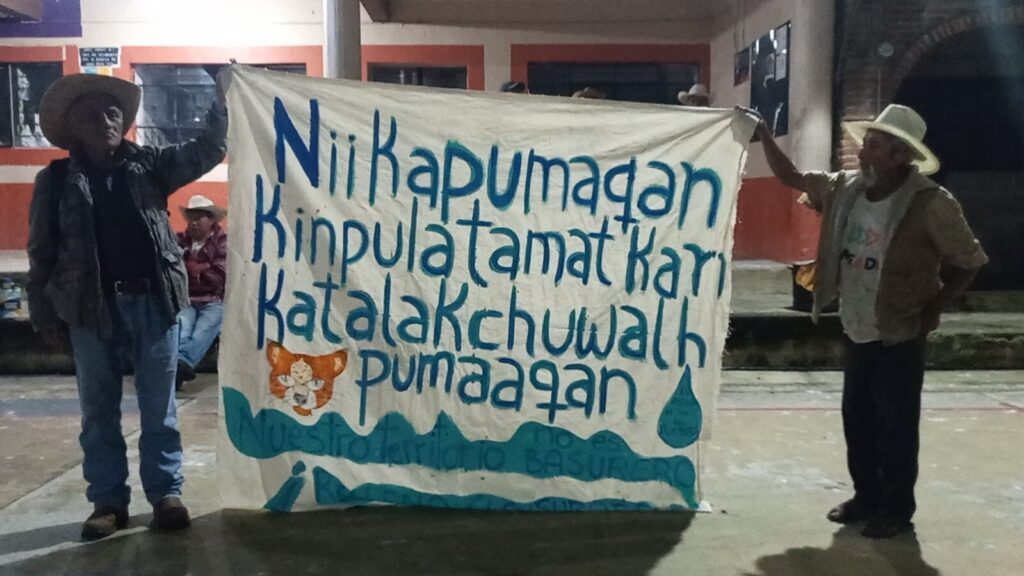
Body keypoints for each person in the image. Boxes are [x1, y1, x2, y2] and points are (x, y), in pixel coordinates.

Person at [746, 103, 987, 538]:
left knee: (895, 427)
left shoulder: (930, 204)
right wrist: (763, 130)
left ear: (900, 156)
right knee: (857, 420)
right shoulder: (847, 189)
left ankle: (896, 509)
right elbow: (791, 177)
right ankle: (866, 497)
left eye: (873, 146)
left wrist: (933, 308)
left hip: (900, 329)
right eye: (866, 144)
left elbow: (970, 261)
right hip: (857, 325)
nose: (861, 153)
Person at [26, 71, 228, 541]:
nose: (106, 121)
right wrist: (42, 308)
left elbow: (207, 149)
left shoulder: (149, 166)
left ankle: (166, 494)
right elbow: (42, 251)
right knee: (99, 412)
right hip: (90, 309)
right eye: (93, 115)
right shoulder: (55, 181)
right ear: (74, 126)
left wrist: (220, 103)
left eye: (113, 112)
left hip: (154, 304)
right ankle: (108, 502)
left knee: (160, 409)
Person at [175, 194, 228, 389]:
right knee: (182, 331)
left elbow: (220, 276)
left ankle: (178, 366)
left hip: (213, 300)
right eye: (192, 217)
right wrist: (203, 268)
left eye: (199, 217)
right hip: (186, 298)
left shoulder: (223, 242)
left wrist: (191, 268)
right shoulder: (179, 241)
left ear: (211, 219)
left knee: (201, 332)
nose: (194, 222)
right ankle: (182, 365)